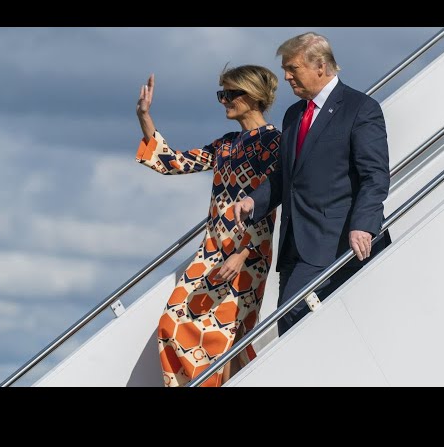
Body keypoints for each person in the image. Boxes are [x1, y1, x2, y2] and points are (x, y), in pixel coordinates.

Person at [233, 32, 392, 336]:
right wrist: (254, 201)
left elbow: (375, 175)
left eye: (292, 68)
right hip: (294, 246)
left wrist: (364, 225)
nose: (286, 76)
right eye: (285, 69)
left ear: (320, 65)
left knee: (292, 320)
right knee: (292, 328)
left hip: (336, 242)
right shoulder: (294, 114)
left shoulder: (360, 108)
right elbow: (286, 175)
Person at [135, 65, 281, 387]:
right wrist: (144, 116)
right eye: (221, 94)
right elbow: (173, 163)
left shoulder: (273, 143)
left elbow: (271, 199)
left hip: (248, 255)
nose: (224, 101)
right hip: (212, 252)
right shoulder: (225, 145)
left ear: (252, 96)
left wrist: (244, 253)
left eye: (230, 94)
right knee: (173, 324)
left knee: (226, 337)